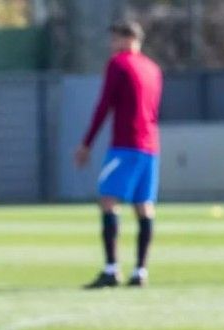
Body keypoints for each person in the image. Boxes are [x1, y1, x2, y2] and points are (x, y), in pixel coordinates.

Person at [75, 20, 162, 289]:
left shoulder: (119, 63)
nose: (111, 46)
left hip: (126, 144)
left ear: (125, 38)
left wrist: (87, 143)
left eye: (113, 39)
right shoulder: (153, 69)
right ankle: (140, 272)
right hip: (150, 146)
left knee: (108, 200)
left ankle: (112, 269)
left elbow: (104, 105)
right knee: (144, 206)